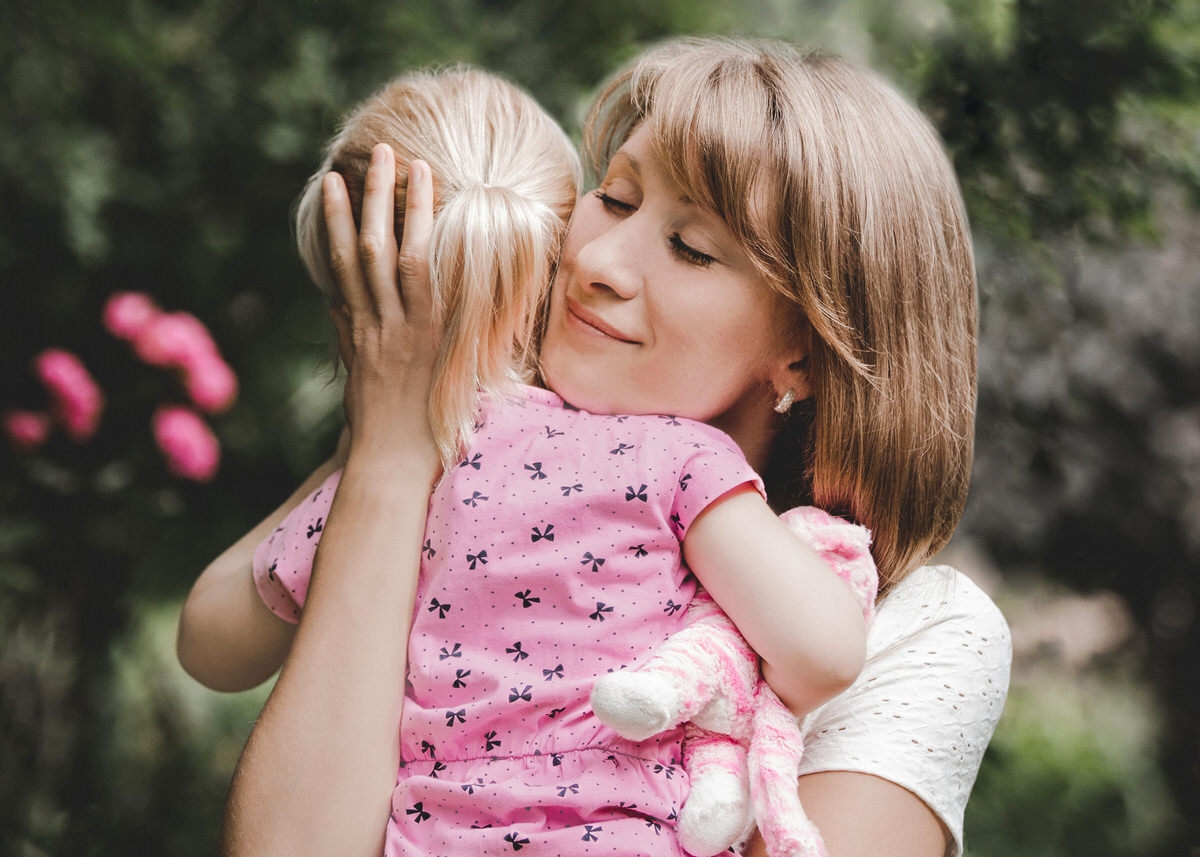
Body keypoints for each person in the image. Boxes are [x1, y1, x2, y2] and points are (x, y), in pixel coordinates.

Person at [181, 36, 1011, 857]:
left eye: (691, 248)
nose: (600, 262)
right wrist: (392, 444)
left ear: (805, 352)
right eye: (613, 197)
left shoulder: (916, 630)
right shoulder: (445, 476)